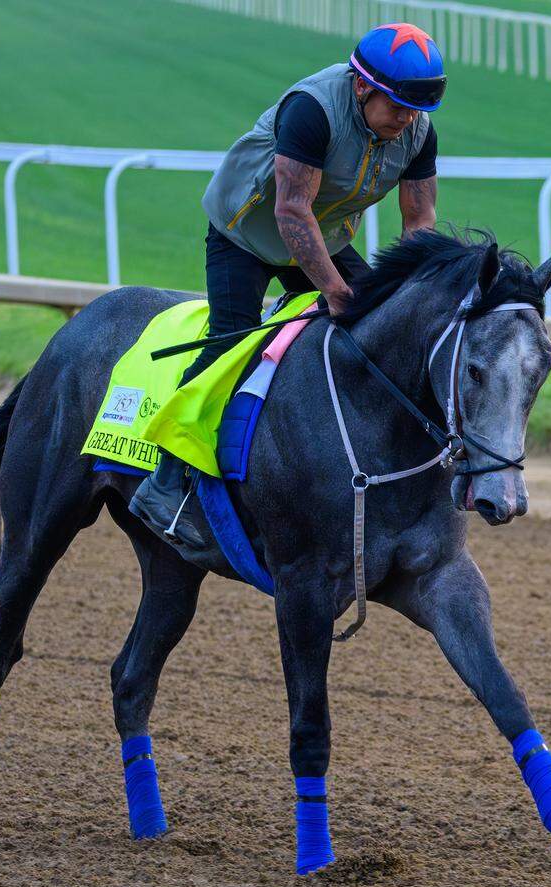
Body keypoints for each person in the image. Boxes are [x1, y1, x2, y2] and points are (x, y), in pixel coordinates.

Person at [131, 22, 446, 547]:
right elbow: (291, 210)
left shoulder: (416, 131)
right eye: (398, 105)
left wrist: (410, 296)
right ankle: (164, 481)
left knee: (380, 330)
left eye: (418, 110)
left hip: (322, 235)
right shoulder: (312, 110)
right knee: (233, 343)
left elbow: (420, 222)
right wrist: (336, 291)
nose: (408, 119)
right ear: (362, 86)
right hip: (247, 232)